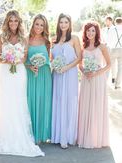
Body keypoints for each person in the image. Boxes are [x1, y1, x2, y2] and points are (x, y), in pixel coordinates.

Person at [0, 10, 44, 157]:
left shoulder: (24, 38)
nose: (13, 23)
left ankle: (19, 136)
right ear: (7, 22)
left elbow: (24, 57)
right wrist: (7, 59)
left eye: (16, 21)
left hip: (19, 73)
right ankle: (4, 136)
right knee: (4, 103)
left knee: (18, 102)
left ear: (19, 22)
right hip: (5, 72)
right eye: (10, 21)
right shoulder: (0, 38)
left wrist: (17, 59)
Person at [78, 21, 111, 148]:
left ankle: (96, 137)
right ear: (85, 32)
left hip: (98, 79)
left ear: (97, 32)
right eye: (88, 30)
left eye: (93, 30)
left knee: (96, 105)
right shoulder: (83, 47)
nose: (90, 33)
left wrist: (97, 73)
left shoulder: (102, 46)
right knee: (86, 105)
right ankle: (85, 135)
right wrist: (84, 71)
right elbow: (80, 64)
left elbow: (109, 64)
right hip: (86, 79)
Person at [51, 13, 81, 149]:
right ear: (58, 24)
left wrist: (66, 67)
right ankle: (57, 135)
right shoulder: (55, 39)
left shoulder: (74, 38)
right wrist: (55, 66)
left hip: (70, 74)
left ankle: (67, 136)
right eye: (61, 22)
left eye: (66, 22)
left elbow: (79, 58)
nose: (63, 25)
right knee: (58, 101)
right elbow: (52, 58)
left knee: (69, 101)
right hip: (57, 75)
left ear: (70, 24)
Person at [26, 14, 52, 143]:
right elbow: (22, 59)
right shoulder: (26, 40)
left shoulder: (47, 41)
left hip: (44, 75)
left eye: (42, 25)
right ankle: (31, 134)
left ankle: (42, 134)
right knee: (30, 101)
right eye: (37, 24)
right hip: (31, 74)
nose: (39, 27)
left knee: (43, 103)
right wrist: (29, 66)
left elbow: (50, 59)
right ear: (33, 24)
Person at [110, 17, 122, 89]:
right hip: (121, 49)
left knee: (112, 65)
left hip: (113, 49)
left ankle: (113, 78)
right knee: (120, 67)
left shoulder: (112, 29)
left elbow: (108, 40)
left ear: (115, 22)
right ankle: (117, 84)